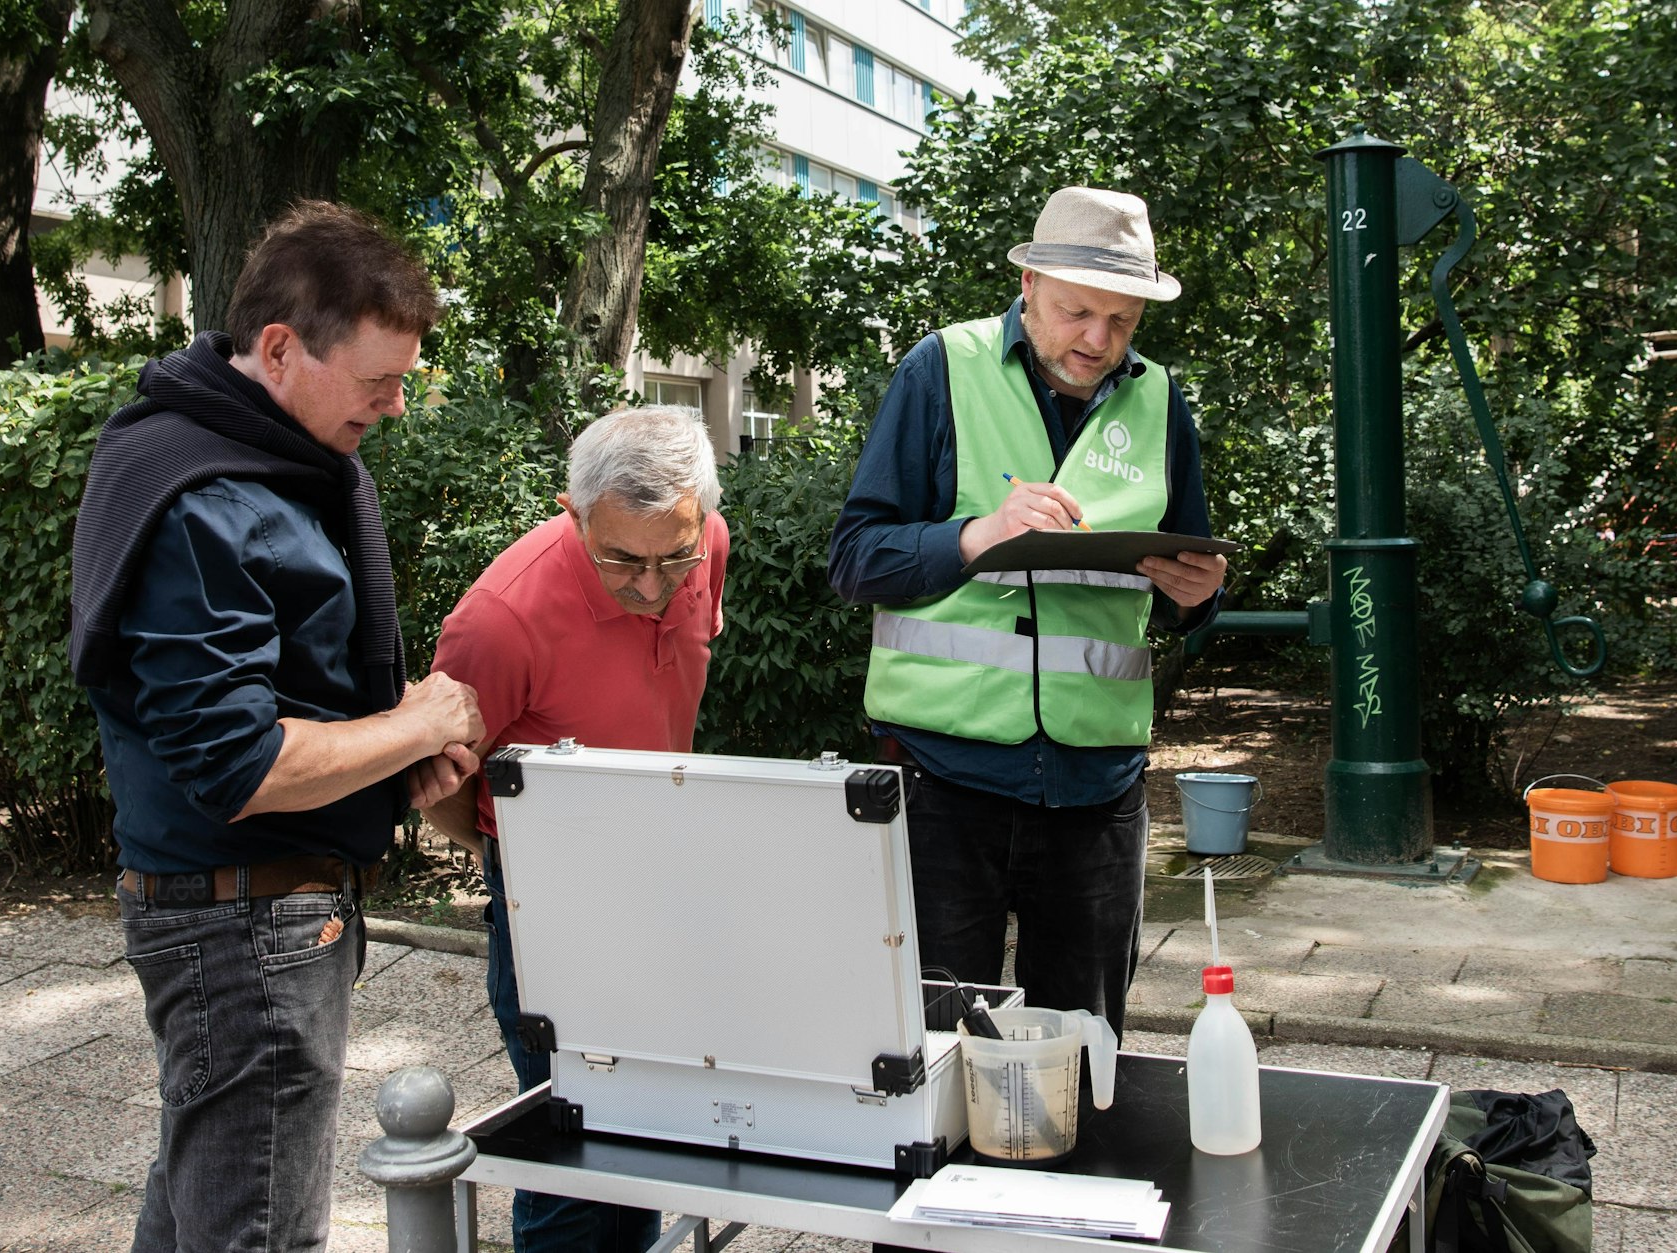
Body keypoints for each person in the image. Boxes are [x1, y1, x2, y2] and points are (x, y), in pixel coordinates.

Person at [69, 201, 484, 1253]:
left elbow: (278, 703)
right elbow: (240, 763)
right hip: (244, 928)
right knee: (255, 1232)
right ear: (280, 347)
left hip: (251, 914)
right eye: (377, 379)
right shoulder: (202, 495)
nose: (394, 406)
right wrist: (413, 720)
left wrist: (391, 754)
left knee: (203, 1209)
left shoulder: (260, 458)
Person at [827, 186, 1227, 1036]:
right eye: (1077, 312)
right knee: (930, 1052)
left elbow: (1183, 576)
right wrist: (975, 536)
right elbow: (856, 558)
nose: (1098, 341)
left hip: (1098, 788)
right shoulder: (940, 369)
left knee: (1082, 1051)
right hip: (942, 781)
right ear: (1030, 283)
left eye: (1121, 322)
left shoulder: (1160, 402)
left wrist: (1199, 596)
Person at [422, 406, 729, 1253]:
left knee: (647, 1140)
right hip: (548, 904)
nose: (653, 584)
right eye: (623, 560)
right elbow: (439, 783)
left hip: (665, 877)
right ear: (572, 510)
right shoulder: (498, 622)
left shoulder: (708, 544)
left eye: (675, 556)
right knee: (575, 1158)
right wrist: (506, 856)